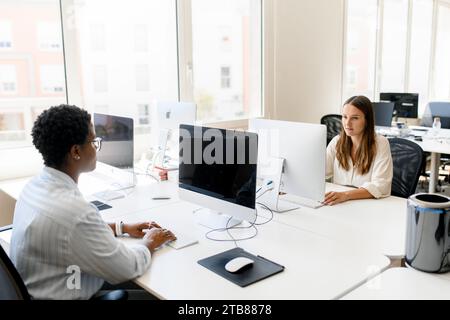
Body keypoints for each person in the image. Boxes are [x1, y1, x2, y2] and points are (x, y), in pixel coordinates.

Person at [10, 105, 176, 299]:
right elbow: (127, 267)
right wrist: (150, 241)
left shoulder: (34, 187)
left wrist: (121, 227)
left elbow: (68, 231)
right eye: (93, 141)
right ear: (75, 151)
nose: (96, 147)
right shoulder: (75, 212)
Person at [324, 96, 393, 206]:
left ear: (367, 120)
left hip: (368, 205)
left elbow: (381, 185)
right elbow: (320, 171)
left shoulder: (381, 143)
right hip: (339, 204)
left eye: (355, 118)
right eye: (345, 117)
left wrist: (346, 195)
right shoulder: (336, 142)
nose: (347, 123)